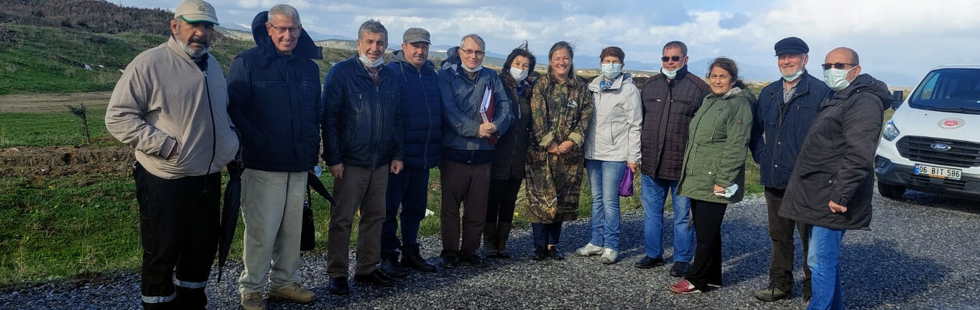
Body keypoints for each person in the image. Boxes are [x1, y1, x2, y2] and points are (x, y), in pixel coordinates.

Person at [104, 1, 239, 308]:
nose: (201, 33)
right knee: (162, 252)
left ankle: (192, 304)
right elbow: (118, 117)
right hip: (166, 178)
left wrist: (231, 139)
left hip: (207, 177)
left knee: (201, 249)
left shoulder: (213, 65)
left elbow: (222, 111)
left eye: (207, 27)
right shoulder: (149, 64)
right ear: (175, 25)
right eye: (194, 25)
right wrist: (166, 146)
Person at [226, 5, 320, 309]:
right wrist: (258, 140)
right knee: (261, 231)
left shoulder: (309, 67)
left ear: (300, 29)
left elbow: (314, 113)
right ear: (269, 29)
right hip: (262, 163)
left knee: (292, 230)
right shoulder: (248, 63)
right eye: (281, 29)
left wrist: (312, 151)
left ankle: (285, 283)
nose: (288, 35)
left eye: (293, 29)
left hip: (298, 163)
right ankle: (251, 288)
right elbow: (234, 109)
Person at [780, 47, 889, 310]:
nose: (832, 71)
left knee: (819, 260)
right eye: (827, 66)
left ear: (856, 70)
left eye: (839, 66)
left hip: (833, 194)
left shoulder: (864, 102)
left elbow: (860, 153)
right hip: (820, 190)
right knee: (824, 260)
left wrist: (841, 195)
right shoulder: (839, 96)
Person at [321, 19, 404, 295]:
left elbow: (398, 119)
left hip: (381, 162)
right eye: (369, 42)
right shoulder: (341, 73)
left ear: (386, 45)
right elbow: (329, 119)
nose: (374, 47)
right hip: (350, 161)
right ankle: (337, 272)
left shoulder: (391, 76)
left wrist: (397, 154)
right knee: (342, 219)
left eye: (380, 42)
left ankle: (367, 267)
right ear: (358, 43)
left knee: (376, 216)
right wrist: (333, 158)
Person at [749, 37, 832, 304]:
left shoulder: (820, 92)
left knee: (810, 240)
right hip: (774, 179)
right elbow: (755, 132)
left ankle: (812, 291)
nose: (786, 61)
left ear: (805, 59)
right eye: (782, 57)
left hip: (806, 182)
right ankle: (780, 285)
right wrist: (762, 156)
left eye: (792, 56)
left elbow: (829, 138)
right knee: (779, 236)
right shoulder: (768, 92)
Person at [669, 57, 754, 294]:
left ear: (733, 80)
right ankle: (713, 277)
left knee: (705, 233)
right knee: (708, 230)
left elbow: (737, 145)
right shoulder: (710, 100)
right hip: (699, 176)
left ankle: (696, 279)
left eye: (723, 76)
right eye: (714, 76)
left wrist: (724, 180)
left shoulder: (739, 104)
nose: (717, 80)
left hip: (715, 177)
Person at [437, 34, 512, 268]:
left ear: (484, 54)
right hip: (454, 153)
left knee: (477, 209)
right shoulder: (446, 77)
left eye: (478, 52)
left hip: (483, 155)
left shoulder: (490, 77)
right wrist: (475, 130)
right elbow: (449, 111)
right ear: (460, 52)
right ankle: (449, 251)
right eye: (468, 51)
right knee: (450, 209)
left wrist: (497, 126)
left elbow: (505, 107)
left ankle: (470, 250)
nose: (473, 56)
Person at [637, 41, 710, 275]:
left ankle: (681, 259)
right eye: (666, 58)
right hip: (651, 165)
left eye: (675, 58)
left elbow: (706, 127)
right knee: (651, 214)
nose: (670, 62)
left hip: (682, 167)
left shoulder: (699, 88)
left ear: (685, 60)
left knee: (682, 217)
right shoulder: (650, 86)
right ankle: (653, 254)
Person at [379, 27, 441, 276]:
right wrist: (397, 153)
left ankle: (410, 252)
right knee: (389, 209)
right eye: (415, 46)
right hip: (398, 158)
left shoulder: (431, 75)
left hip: (423, 155)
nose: (420, 50)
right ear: (403, 47)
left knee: (415, 209)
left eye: (424, 46)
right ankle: (387, 255)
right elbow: (391, 118)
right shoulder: (391, 73)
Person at [525, 41, 594, 261]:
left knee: (562, 199)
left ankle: (552, 245)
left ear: (571, 60)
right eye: (557, 58)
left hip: (569, 154)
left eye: (565, 57)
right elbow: (537, 117)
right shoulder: (541, 85)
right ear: (550, 61)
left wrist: (572, 141)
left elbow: (586, 116)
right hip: (542, 154)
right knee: (540, 199)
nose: (561, 62)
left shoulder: (581, 87)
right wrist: (550, 143)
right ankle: (538, 246)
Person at [574, 46, 641, 265]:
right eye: (606, 60)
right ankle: (595, 241)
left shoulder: (628, 90)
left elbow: (635, 125)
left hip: (615, 153)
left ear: (622, 64)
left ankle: (611, 244)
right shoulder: (592, 87)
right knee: (596, 200)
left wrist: (634, 156)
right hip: (593, 153)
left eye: (614, 61)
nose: (610, 64)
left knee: (610, 201)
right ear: (600, 63)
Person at [484, 42, 536, 259]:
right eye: (517, 63)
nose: (521, 69)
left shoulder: (529, 93)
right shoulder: (497, 86)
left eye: (526, 66)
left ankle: (502, 243)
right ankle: (488, 243)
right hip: (497, 155)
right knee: (492, 199)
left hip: (518, 157)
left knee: (508, 201)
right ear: (508, 64)